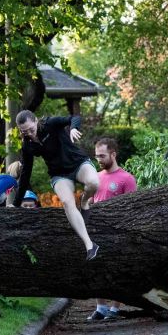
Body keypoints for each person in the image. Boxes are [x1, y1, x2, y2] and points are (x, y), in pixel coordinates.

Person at [13, 110, 100, 260]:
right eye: (24, 132)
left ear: (35, 121)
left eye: (31, 129)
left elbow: (74, 118)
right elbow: (25, 173)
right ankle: (90, 245)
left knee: (93, 183)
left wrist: (73, 128)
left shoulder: (50, 124)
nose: (30, 134)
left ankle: (85, 201)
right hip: (59, 174)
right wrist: (16, 203)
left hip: (78, 163)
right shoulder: (27, 145)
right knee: (67, 202)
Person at [87, 137, 137, 321]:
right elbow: (90, 203)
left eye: (102, 156)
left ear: (113, 154)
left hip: (118, 233)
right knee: (97, 269)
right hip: (97, 232)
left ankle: (115, 310)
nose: (98, 159)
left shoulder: (127, 179)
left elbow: (133, 208)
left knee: (118, 271)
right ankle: (100, 308)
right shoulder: (95, 177)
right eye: (96, 156)